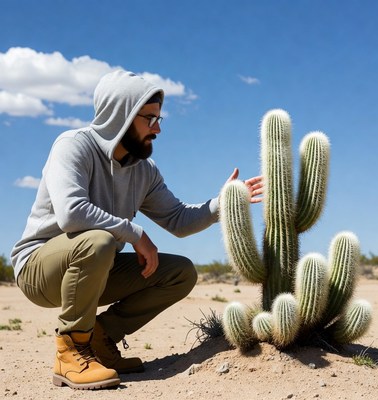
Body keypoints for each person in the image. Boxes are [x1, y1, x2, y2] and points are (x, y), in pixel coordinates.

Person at [11, 70, 263, 390]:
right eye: (149, 118)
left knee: (180, 272)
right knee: (99, 241)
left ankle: (100, 339)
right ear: (122, 115)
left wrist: (222, 203)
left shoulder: (143, 170)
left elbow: (178, 220)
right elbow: (71, 214)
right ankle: (70, 351)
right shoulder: (73, 146)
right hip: (39, 269)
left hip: (95, 266)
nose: (157, 128)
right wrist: (136, 234)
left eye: (160, 119)